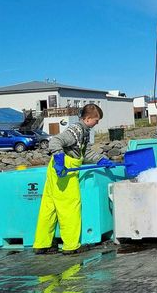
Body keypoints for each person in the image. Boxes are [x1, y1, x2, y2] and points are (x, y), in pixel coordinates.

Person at [33, 104, 114, 255]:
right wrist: (59, 158)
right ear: (88, 118)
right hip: (64, 170)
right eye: (97, 120)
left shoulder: (84, 131)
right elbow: (56, 140)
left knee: (49, 207)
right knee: (70, 206)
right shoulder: (76, 130)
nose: (98, 123)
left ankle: (42, 244)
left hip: (55, 171)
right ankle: (71, 246)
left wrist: (100, 160)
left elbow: (85, 152)